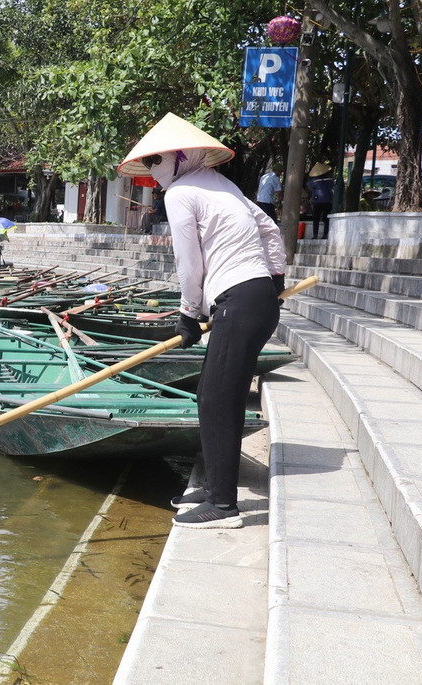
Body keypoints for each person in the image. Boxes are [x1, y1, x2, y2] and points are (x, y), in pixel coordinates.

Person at [117, 112, 287, 529]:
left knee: (215, 400)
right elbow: (268, 228)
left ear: (180, 157)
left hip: (238, 300)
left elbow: (188, 263)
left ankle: (224, 506)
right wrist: (275, 277)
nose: (153, 173)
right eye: (151, 163)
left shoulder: (179, 194)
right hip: (256, 299)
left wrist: (188, 313)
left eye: (157, 162)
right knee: (211, 396)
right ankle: (214, 486)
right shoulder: (221, 184)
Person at [306, 162, 334, 239]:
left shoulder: (314, 180)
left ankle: (315, 235)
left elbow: (308, 186)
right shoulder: (330, 179)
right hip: (328, 201)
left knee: (316, 219)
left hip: (317, 201)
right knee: (326, 218)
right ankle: (325, 235)